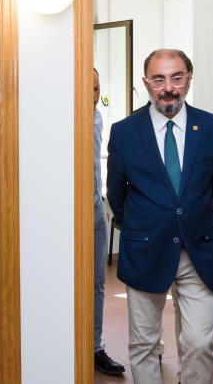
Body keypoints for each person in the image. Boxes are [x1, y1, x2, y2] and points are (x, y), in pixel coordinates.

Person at [107, 49, 213, 384]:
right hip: (146, 249)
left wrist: (187, 218)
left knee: (199, 343)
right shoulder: (125, 131)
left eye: (177, 77)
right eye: (158, 79)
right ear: (147, 83)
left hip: (198, 250)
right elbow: (117, 194)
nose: (168, 87)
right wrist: (145, 224)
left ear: (189, 79)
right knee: (144, 345)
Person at [92, 68, 125, 376]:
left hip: (95, 210)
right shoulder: (64, 118)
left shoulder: (98, 119)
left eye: (97, 89)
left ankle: (95, 347)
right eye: (88, 88)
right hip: (69, 214)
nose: (93, 97)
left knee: (97, 283)